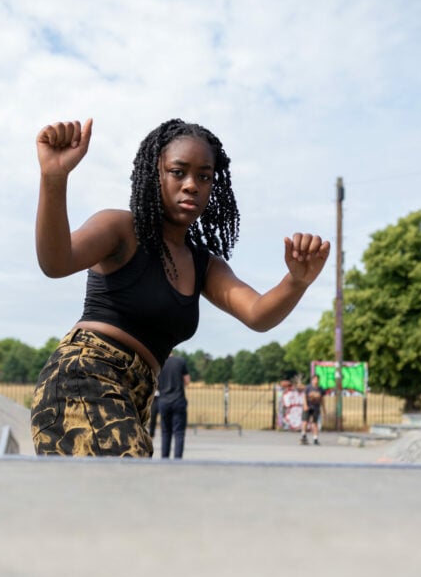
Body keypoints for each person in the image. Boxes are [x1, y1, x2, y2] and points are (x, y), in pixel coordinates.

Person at [29, 117, 331, 456]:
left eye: (204, 176)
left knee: (116, 503)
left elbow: (258, 314)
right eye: (178, 172)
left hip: (134, 397)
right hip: (82, 378)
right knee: (129, 497)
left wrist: (297, 281)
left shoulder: (204, 265)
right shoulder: (120, 228)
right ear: (154, 173)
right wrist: (54, 178)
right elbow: (55, 262)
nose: (192, 185)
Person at [155, 354, 190, 459]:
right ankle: (177, 459)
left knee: (165, 432)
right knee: (179, 433)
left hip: (164, 401)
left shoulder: (159, 362)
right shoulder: (180, 361)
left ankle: (164, 458)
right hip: (178, 400)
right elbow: (187, 381)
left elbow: (155, 382)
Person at [301, 373, 324, 445]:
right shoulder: (308, 388)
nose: (316, 381)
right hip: (308, 406)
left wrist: (324, 409)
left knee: (315, 423)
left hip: (316, 407)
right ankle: (304, 435)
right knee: (305, 421)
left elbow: (322, 400)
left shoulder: (320, 389)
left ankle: (315, 439)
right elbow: (304, 396)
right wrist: (305, 405)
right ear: (312, 380)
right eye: (315, 379)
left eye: (317, 379)